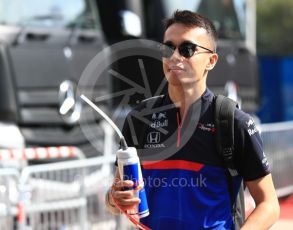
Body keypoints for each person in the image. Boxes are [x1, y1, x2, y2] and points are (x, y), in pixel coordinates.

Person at [105, 10, 280, 230]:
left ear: (211, 60)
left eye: (187, 49)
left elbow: (269, 204)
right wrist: (115, 198)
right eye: (168, 48)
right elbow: (114, 199)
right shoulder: (140, 119)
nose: (175, 57)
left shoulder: (233, 122)